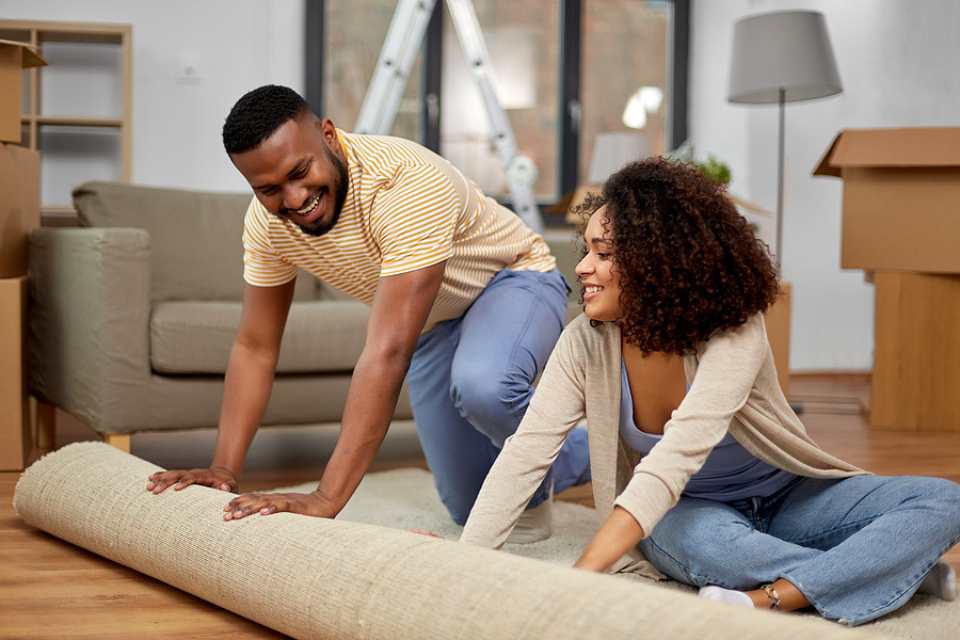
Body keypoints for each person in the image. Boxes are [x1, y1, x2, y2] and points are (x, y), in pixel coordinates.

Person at [459, 158, 960, 625]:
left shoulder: (733, 330)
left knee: (942, 500)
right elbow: (528, 453)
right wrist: (462, 561)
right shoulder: (584, 342)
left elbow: (680, 449)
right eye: (586, 250)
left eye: (603, 253)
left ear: (658, 262)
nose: (583, 268)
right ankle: (892, 574)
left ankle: (771, 596)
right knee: (704, 545)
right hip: (690, 511)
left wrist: (580, 578)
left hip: (790, 496)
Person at [145, 85, 589, 540]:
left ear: (329, 135)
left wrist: (326, 498)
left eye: (301, 171)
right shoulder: (267, 225)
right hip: (435, 324)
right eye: (269, 189)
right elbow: (256, 346)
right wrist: (224, 468)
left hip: (512, 280)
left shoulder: (403, 183)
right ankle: (559, 467)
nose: (294, 199)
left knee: (483, 385)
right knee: (468, 503)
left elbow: (387, 351)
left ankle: (593, 454)